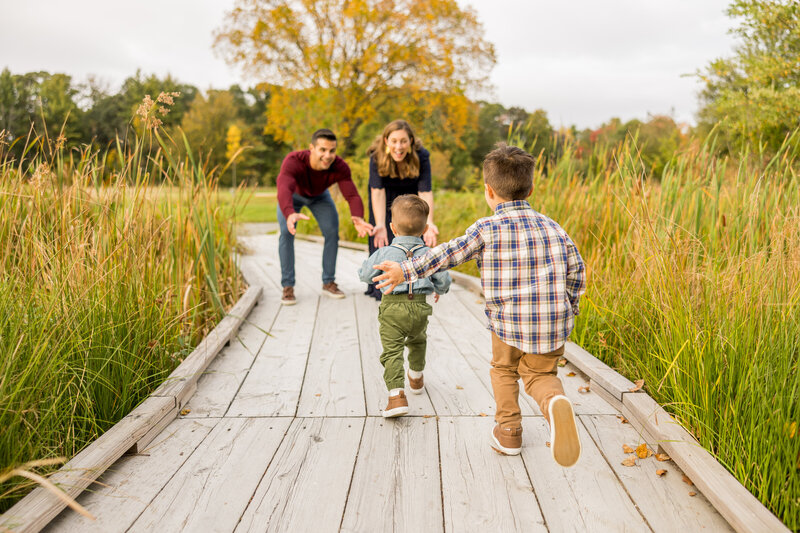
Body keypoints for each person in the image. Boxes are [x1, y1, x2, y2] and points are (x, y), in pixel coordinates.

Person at [373, 143, 586, 467]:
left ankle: (509, 431)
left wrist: (405, 269)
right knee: (541, 376)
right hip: (550, 321)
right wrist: (569, 308)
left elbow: (445, 254)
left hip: (507, 323)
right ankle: (554, 400)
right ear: (530, 189)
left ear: (489, 191)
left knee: (504, 370)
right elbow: (577, 271)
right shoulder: (553, 227)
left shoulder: (485, 229)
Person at [358, 195, 451, 418]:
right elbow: (444, 281)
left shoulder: (384, 253)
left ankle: (396, 397)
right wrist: (438, 288)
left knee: (392, 351)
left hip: (392, 309)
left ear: (392, 227)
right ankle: (417, 377)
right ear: (426, 227)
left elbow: (365, 275)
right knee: (418, 340)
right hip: (420, 308)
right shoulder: (429, 254)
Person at [276, 128, 374, 305]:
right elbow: (284, 187)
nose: (328, 155)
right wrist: (289, 213)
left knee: (331, 233)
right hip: (293, 197)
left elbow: (351, 195)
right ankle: (287, 287)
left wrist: (358, 217)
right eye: (322, 150)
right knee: (286, 232)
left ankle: (328, 281)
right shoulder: (293, 161)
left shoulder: (339, 166)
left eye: (332, 150)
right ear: (311, 148)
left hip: (320, 197)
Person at [364, 120, 438, 300]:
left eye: (403, 141)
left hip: (410, 200)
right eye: (394, 141)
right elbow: (377, 191)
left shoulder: (422, 156)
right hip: (383, 197)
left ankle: (413, 284)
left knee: (412, 238)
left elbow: (425, 191)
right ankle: (380, 286)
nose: (399, 146)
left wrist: (429, 222)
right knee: (382, 239)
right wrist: (380, 223)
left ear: (411, 141)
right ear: (386, 140)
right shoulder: (376, 156)